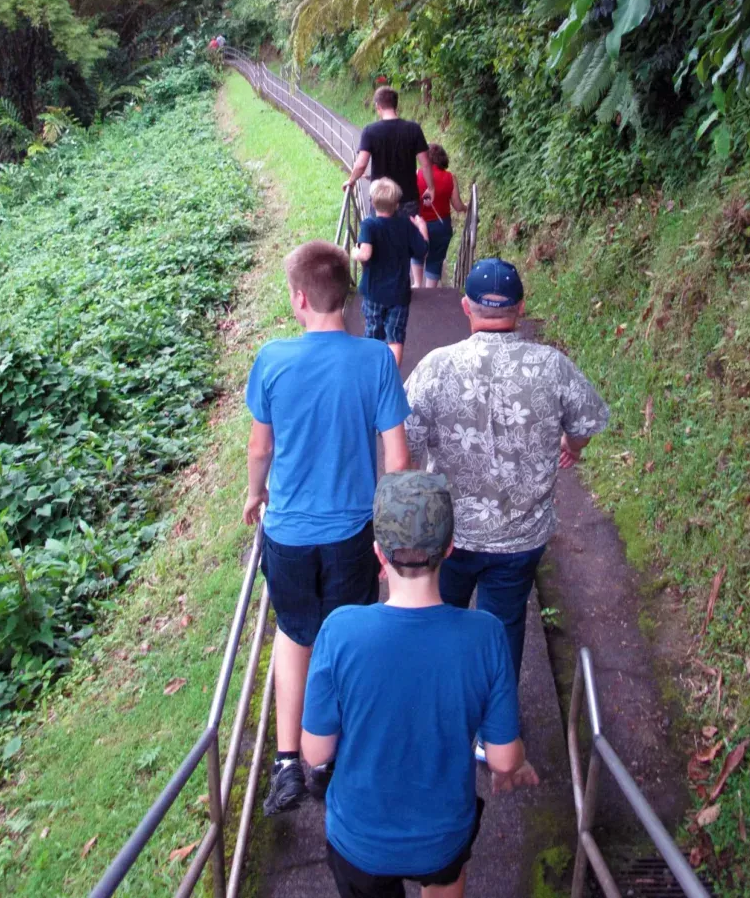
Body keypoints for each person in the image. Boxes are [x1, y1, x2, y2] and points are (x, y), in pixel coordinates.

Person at [301, 471, 539, 898]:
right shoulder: (485, 635)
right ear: (449, 548)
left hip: (359, 839)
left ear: (378, 554)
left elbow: (316, 752)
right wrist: (519, 761)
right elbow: (502, 760)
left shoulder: (340, 632)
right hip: (442, 835)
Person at [243, 240, 412, 815]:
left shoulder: (271, 359)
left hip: (287, 532)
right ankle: (333, 755)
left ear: (298, 299)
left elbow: (260, 446)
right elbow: (397, 459)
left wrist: (254, 495)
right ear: (348, 295)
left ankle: (288, 761)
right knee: (348, 639)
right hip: (351, 533)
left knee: (294, 638)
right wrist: (390, 531)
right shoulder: (375, 361)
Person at [404, 258, 609, 698]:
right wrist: (571, 448)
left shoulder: (437, 366)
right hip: (521, 536)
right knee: (503, 626)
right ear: (519, 307)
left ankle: (443, 706)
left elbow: (405, 445)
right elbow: (587, 419)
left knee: (443, 617)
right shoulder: (551, 366)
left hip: (449, 533)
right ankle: (495, 730)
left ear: (465, 306)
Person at [352, 178, 429, 368]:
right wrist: (422, 229)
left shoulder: (369, 225)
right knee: (395, 337)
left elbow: (366, 253)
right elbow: (422, 251)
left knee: (373, 332)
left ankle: (372, 375)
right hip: (399, 294)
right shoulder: (405, 225)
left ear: (372, 201)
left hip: (374, 293)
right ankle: (392, 378)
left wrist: (355, 252)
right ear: (396, 204)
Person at [343, 86, 435, 220]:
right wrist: (431, 188)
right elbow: (425, 163)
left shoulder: (370, 131)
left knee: (380, 238)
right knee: (407, 238)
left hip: (380, 200)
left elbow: (361, 164)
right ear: (396, 105)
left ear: (378, 106)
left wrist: (351, 181)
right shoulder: (414, 129)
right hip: (408, 198)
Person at [412, 142, 468, 289]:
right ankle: (430, 293)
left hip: (419, 224)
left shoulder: (417, 174)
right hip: (441, 225)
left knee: (417, 253)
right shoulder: (450, 177)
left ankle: (417, 284)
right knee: (435, 260)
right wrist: (466, 208)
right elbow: (457, 205)